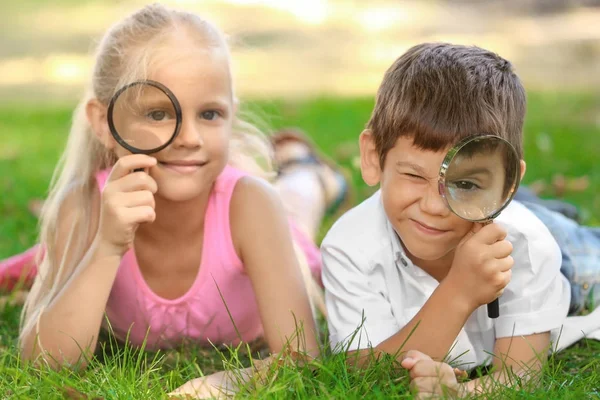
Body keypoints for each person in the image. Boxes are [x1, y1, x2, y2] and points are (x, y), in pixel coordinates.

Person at [2, 3, 349, 397]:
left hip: (267, 224)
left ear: (231, 117)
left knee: (297, 220)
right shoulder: (85, 205)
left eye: (210, 114)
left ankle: (308, 171)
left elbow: (302, 356)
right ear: (105, 122)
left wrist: (230, 381)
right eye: (158, 114)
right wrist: (107, 246)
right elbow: (43, 364)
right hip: (120, 221)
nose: (188, 138)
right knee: (47, 256)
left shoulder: (251, 206)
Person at [321, 42, 600, 397]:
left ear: (508, 184)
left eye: (464, 183)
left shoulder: (526, 244)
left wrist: (460, 392)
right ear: (374, 157)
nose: (435, 206)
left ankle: (550, 213)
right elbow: (360, 373)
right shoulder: (349, 246)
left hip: (568, 263)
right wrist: (458, 293)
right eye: (414, 176)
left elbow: (521, 375)